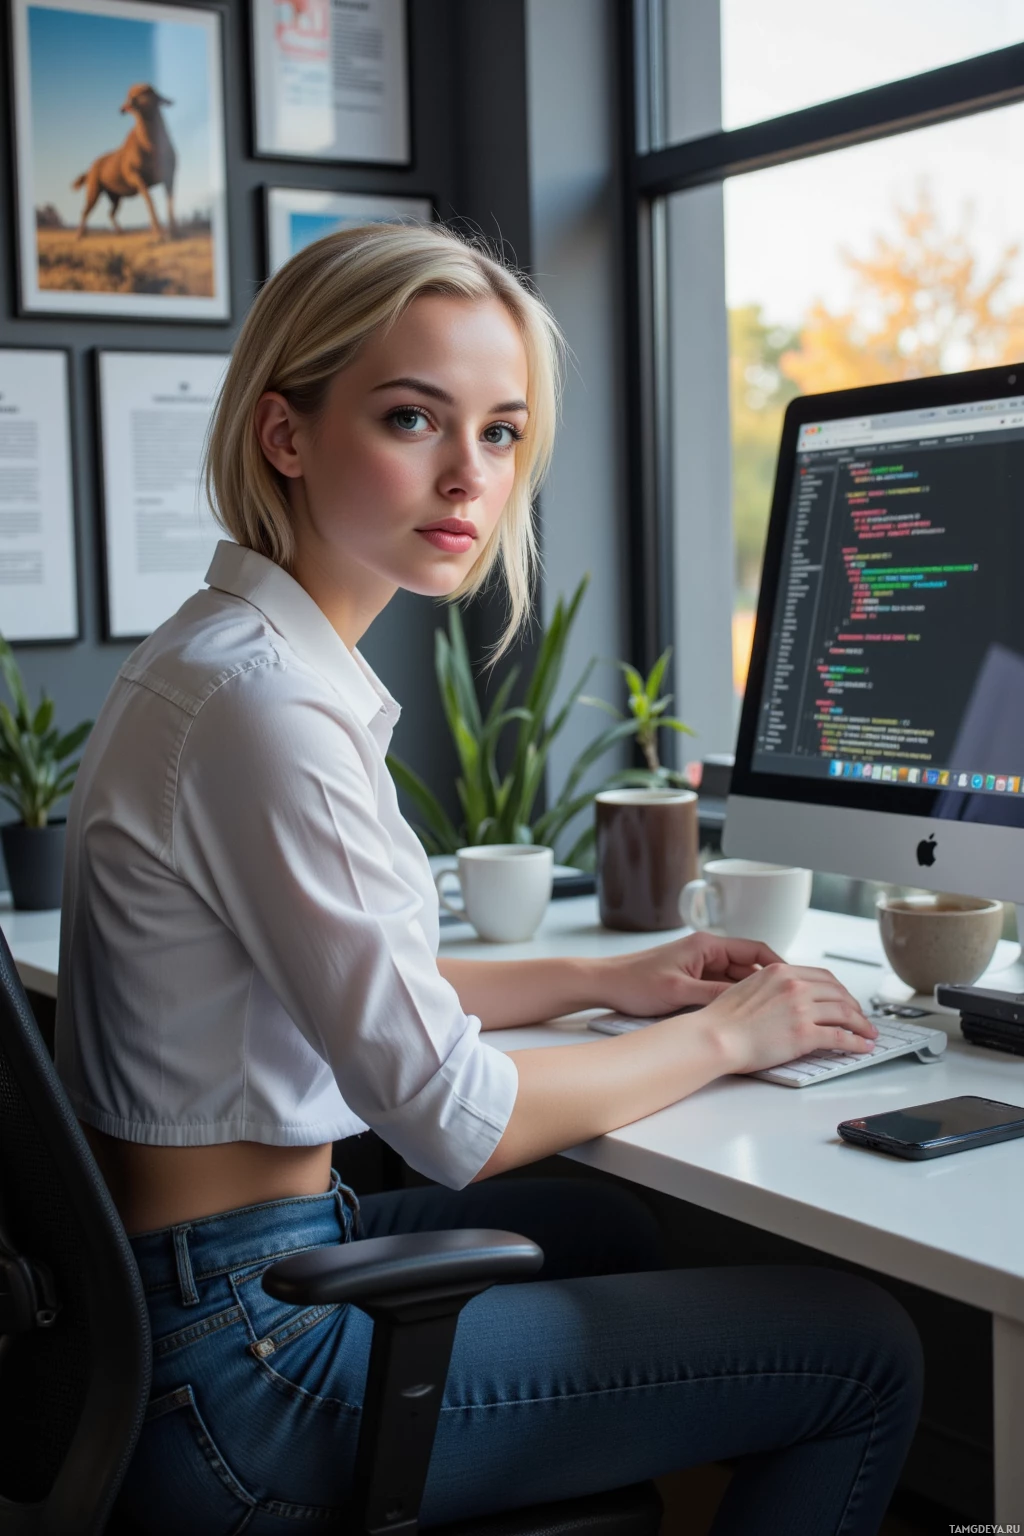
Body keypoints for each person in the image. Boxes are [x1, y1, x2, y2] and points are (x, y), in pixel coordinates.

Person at [55, 222, 922, 1536]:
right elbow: (453, 1119)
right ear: (286, 436)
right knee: (861, 1350)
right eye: (414, 419)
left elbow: (342, 982)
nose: (470, 476)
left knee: (608, 1235)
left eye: (503, 432)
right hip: (248, 1369)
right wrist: (729, 1035)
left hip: (182, 1298)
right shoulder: (267, 705)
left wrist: (601, 975)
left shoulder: (220, 652)